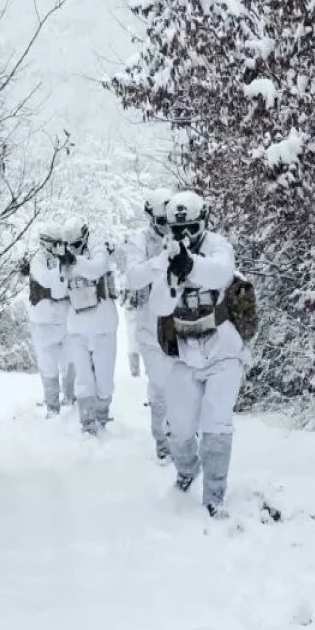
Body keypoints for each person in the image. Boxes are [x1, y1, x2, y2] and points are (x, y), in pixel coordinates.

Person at [151, 191, 248, 517]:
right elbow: (159, 306)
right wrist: (172, 275)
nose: (183, 236)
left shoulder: (218, 246)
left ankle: (214, 496)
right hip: (184, 352)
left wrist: (190, 264)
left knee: (216, 421)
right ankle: (186, 474)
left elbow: (221, 272)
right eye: (176, 230)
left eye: (190, 228)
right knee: (179, 425)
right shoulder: (167, 255)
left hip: (222, 349)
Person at [123, 188, 176, 462]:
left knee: (184, 385)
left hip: (182, 324)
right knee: (160, 386)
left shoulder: (184, 236)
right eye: (161, 221)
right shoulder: (139, 241)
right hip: (150, 325)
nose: (166, 227)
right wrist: (162, 260)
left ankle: (185, 439)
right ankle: (164, 444)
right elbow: (133, 277)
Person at [59, 216, 118, 435]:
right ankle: (87, 424)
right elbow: (58, 290)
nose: (72, 250)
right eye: (68, 246)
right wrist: (61, 265)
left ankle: (102, 416)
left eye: (75, 245)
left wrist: (75, 261)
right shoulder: (65, 260)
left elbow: (97, 269)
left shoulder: (98, 251)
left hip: (102, 325)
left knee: (104, 380)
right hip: (77, 328)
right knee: (83, 379)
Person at [24, 223, 75, 415]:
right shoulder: (37, 260)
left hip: (65, 319)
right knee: (48, 365)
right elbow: (47, 281)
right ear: (45, 243)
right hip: (43, 321)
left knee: (71, 361)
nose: (59, 246)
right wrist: (62, 265)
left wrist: (66, 260)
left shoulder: (64, 257)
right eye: (56, 243)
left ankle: (70, 400)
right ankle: (52, 406)